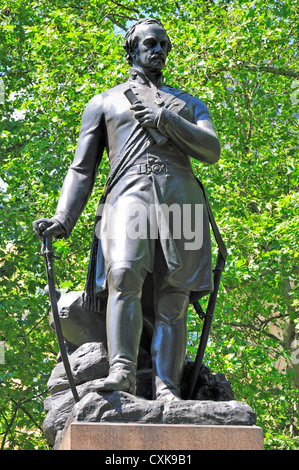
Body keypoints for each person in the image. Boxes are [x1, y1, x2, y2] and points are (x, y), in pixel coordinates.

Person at [33, 18, 220, 401]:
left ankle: (168, 388)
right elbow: (82, 169)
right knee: (122, 274)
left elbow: (211, 150)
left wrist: (167, 120)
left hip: (181, 198)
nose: (159, 51)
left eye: (165, 45)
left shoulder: (188, 103)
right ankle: (122, 370)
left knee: (174, 296)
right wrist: (63, 218)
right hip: (127, 194)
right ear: (132, 48)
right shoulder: (104, 102)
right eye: (151, 43)